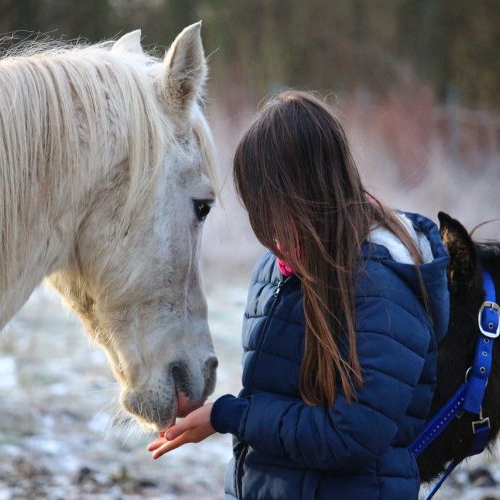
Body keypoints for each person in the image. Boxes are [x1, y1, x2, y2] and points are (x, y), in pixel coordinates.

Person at [147, 90, 450, 499]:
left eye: (274, 207)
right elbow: (277, 405)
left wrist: (231, 415)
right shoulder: (275, 271)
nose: (268, 229)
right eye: (258, 210)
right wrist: (210, 410)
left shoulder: (383, 291)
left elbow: (349, 436)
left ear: (311, 194)